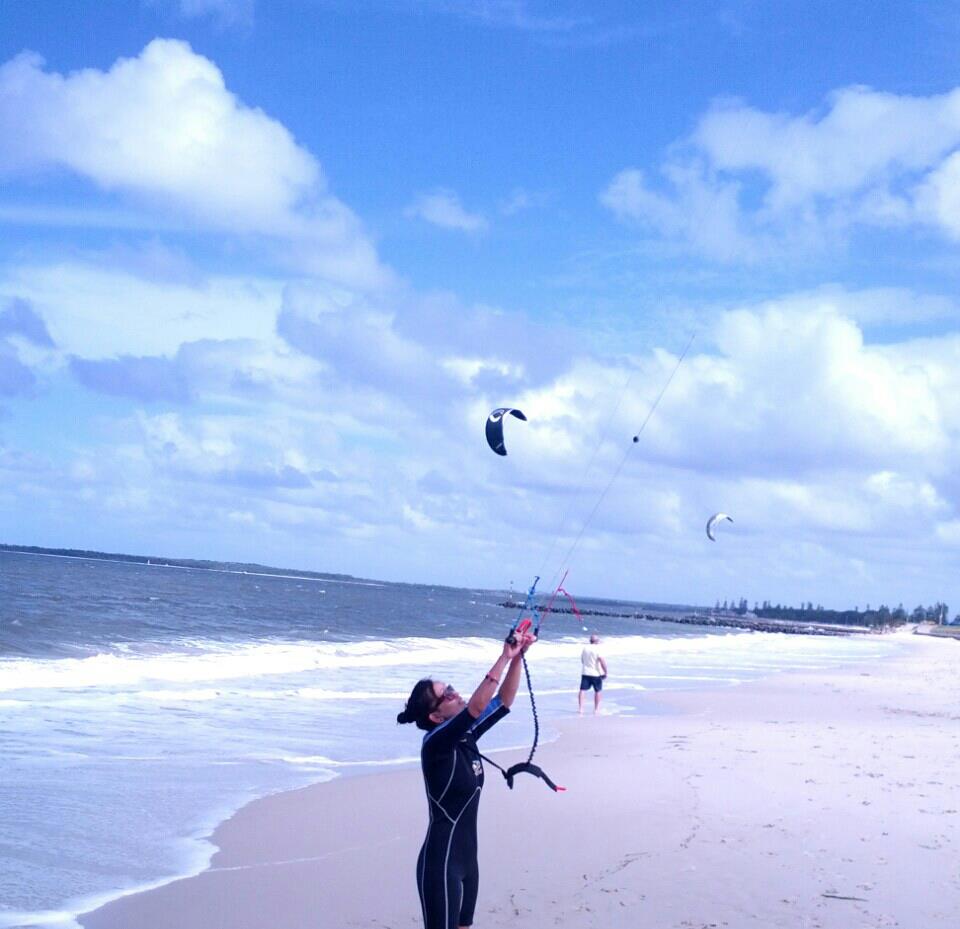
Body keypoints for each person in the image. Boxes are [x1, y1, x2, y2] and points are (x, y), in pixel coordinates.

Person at [397, 629, 536, 929]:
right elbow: (473, 708)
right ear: (435, 716)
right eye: (445, 695)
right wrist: (504, 656)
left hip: (468, 862)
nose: (454, 693)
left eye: (450, 687)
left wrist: (518, 659)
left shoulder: (465, 735)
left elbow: (504, 701)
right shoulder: (435, 745)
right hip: (441, 864)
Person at [578, 633, 607, 714]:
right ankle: (596, 709)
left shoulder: (585, 648)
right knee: (598, 691)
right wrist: (605, 672)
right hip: (596, 673)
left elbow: (582, 660)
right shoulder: (598, 649)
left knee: (582, 690)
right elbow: (602, 661)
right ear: (597, 641)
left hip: (585, 672)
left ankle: (581, 708)